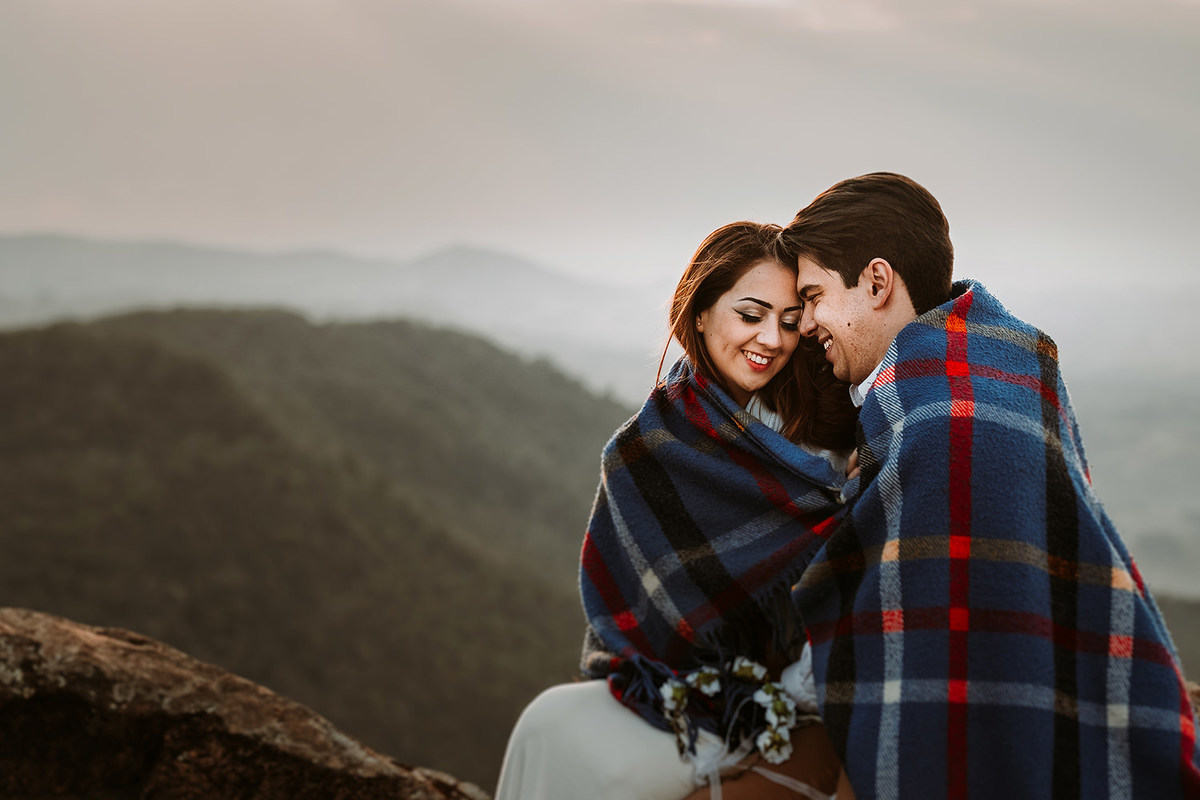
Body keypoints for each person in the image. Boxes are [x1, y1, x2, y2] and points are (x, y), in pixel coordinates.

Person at [778, 172, 1200, 798]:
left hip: (981, 696)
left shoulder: (934, 418)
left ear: (875, 281)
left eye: (813, 296)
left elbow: (900, 601)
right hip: (1065, 676)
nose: (807, 322)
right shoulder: (1011, 360)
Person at [495, 221, 859, 799]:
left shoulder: (822, 435)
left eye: (791, 322)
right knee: (546, 722)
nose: (772, 338)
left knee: (606, 769)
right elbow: (639, 609)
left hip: (781, 695)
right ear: (699, 314)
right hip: (669, 685)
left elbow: (842, 573)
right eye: (750, 314)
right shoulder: (642, 449)